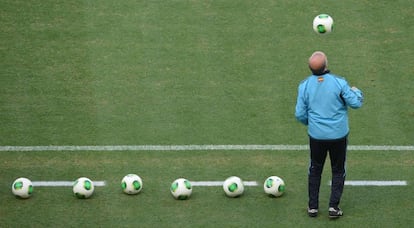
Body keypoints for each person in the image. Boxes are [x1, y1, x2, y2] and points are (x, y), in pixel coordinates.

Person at [295, 51, 364, 219]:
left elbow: (300, 114)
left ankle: (313, 207)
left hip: (316, 136)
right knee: (338, 170)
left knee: (315, 169)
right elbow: (355, 103)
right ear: (326, 64)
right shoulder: (339, 83)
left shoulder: (304, 86)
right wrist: (357, 91)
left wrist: (312, 124)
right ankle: (333, 207)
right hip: (338, 136)